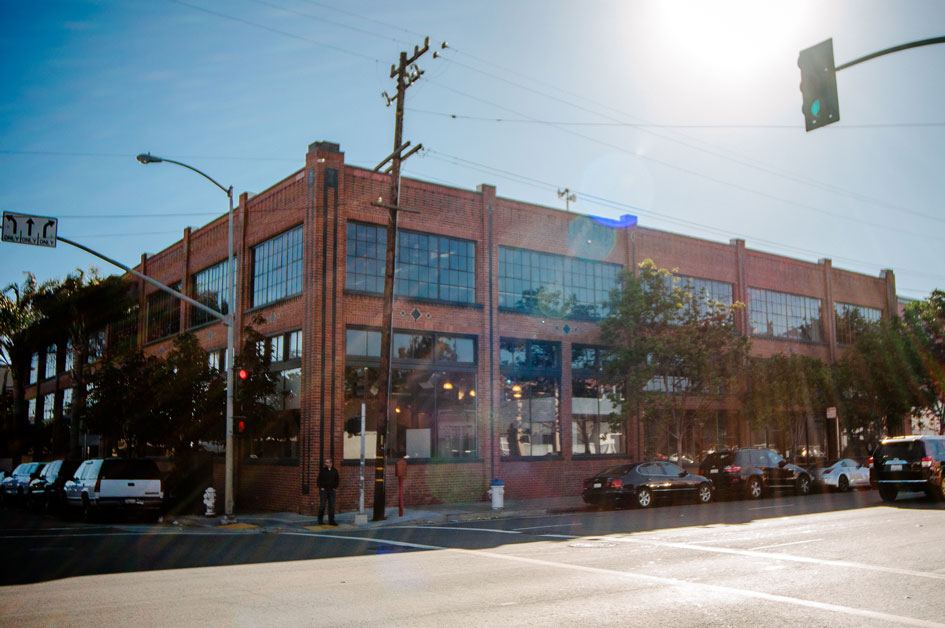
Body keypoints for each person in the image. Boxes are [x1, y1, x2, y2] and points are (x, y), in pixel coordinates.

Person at [317, 458, 340, 526]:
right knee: (322, 505)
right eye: (325, 462)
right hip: (324, 491)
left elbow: (337, 480)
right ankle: (320, 520)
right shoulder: (322, 471)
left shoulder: (335, 471)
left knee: (332, 506)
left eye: (327, 462)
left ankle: (331, 521)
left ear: (331, 463)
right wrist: (321, 487)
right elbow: (318, 480)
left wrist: (335, 488)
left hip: (332, 491)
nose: (326, 464)